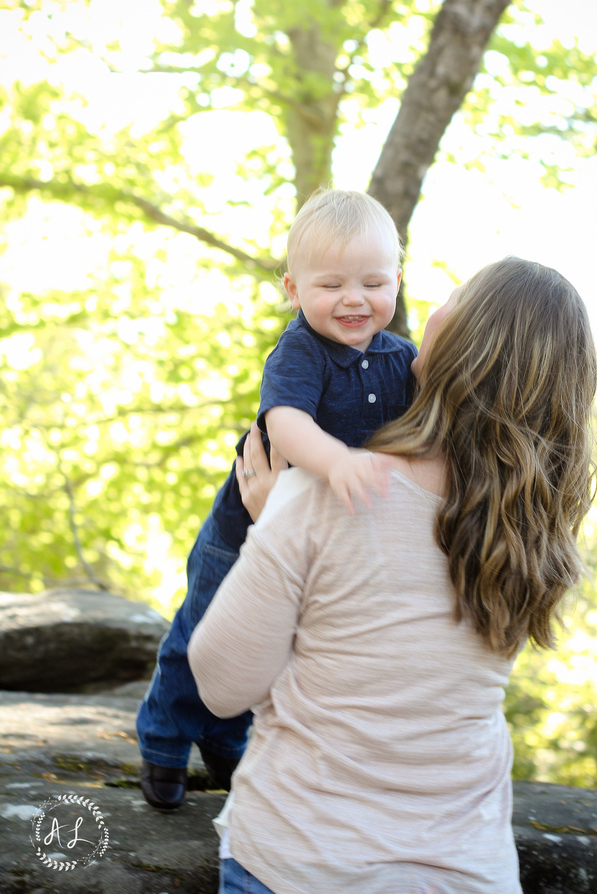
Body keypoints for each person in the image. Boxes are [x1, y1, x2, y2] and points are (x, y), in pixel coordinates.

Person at [188, 256, 597, 894]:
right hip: (467, 872)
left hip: (302, 863)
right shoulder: (529, 534)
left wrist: (274, 525)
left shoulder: (324, 494)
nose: (432, 308)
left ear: (465, 341)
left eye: (454, 295)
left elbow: (220, 686)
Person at [137, 188, 418, 810]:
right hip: (243, 528)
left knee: (272, 644)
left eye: (373, 282)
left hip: (319, 536)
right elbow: (286, 422)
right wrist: (336, 458)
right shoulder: (300, 350)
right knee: (206, 627)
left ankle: (224, 737)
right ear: (293, 290)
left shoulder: (406, 359)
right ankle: (164, 740)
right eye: (331, 285)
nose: (353, 299)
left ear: (397, 281)